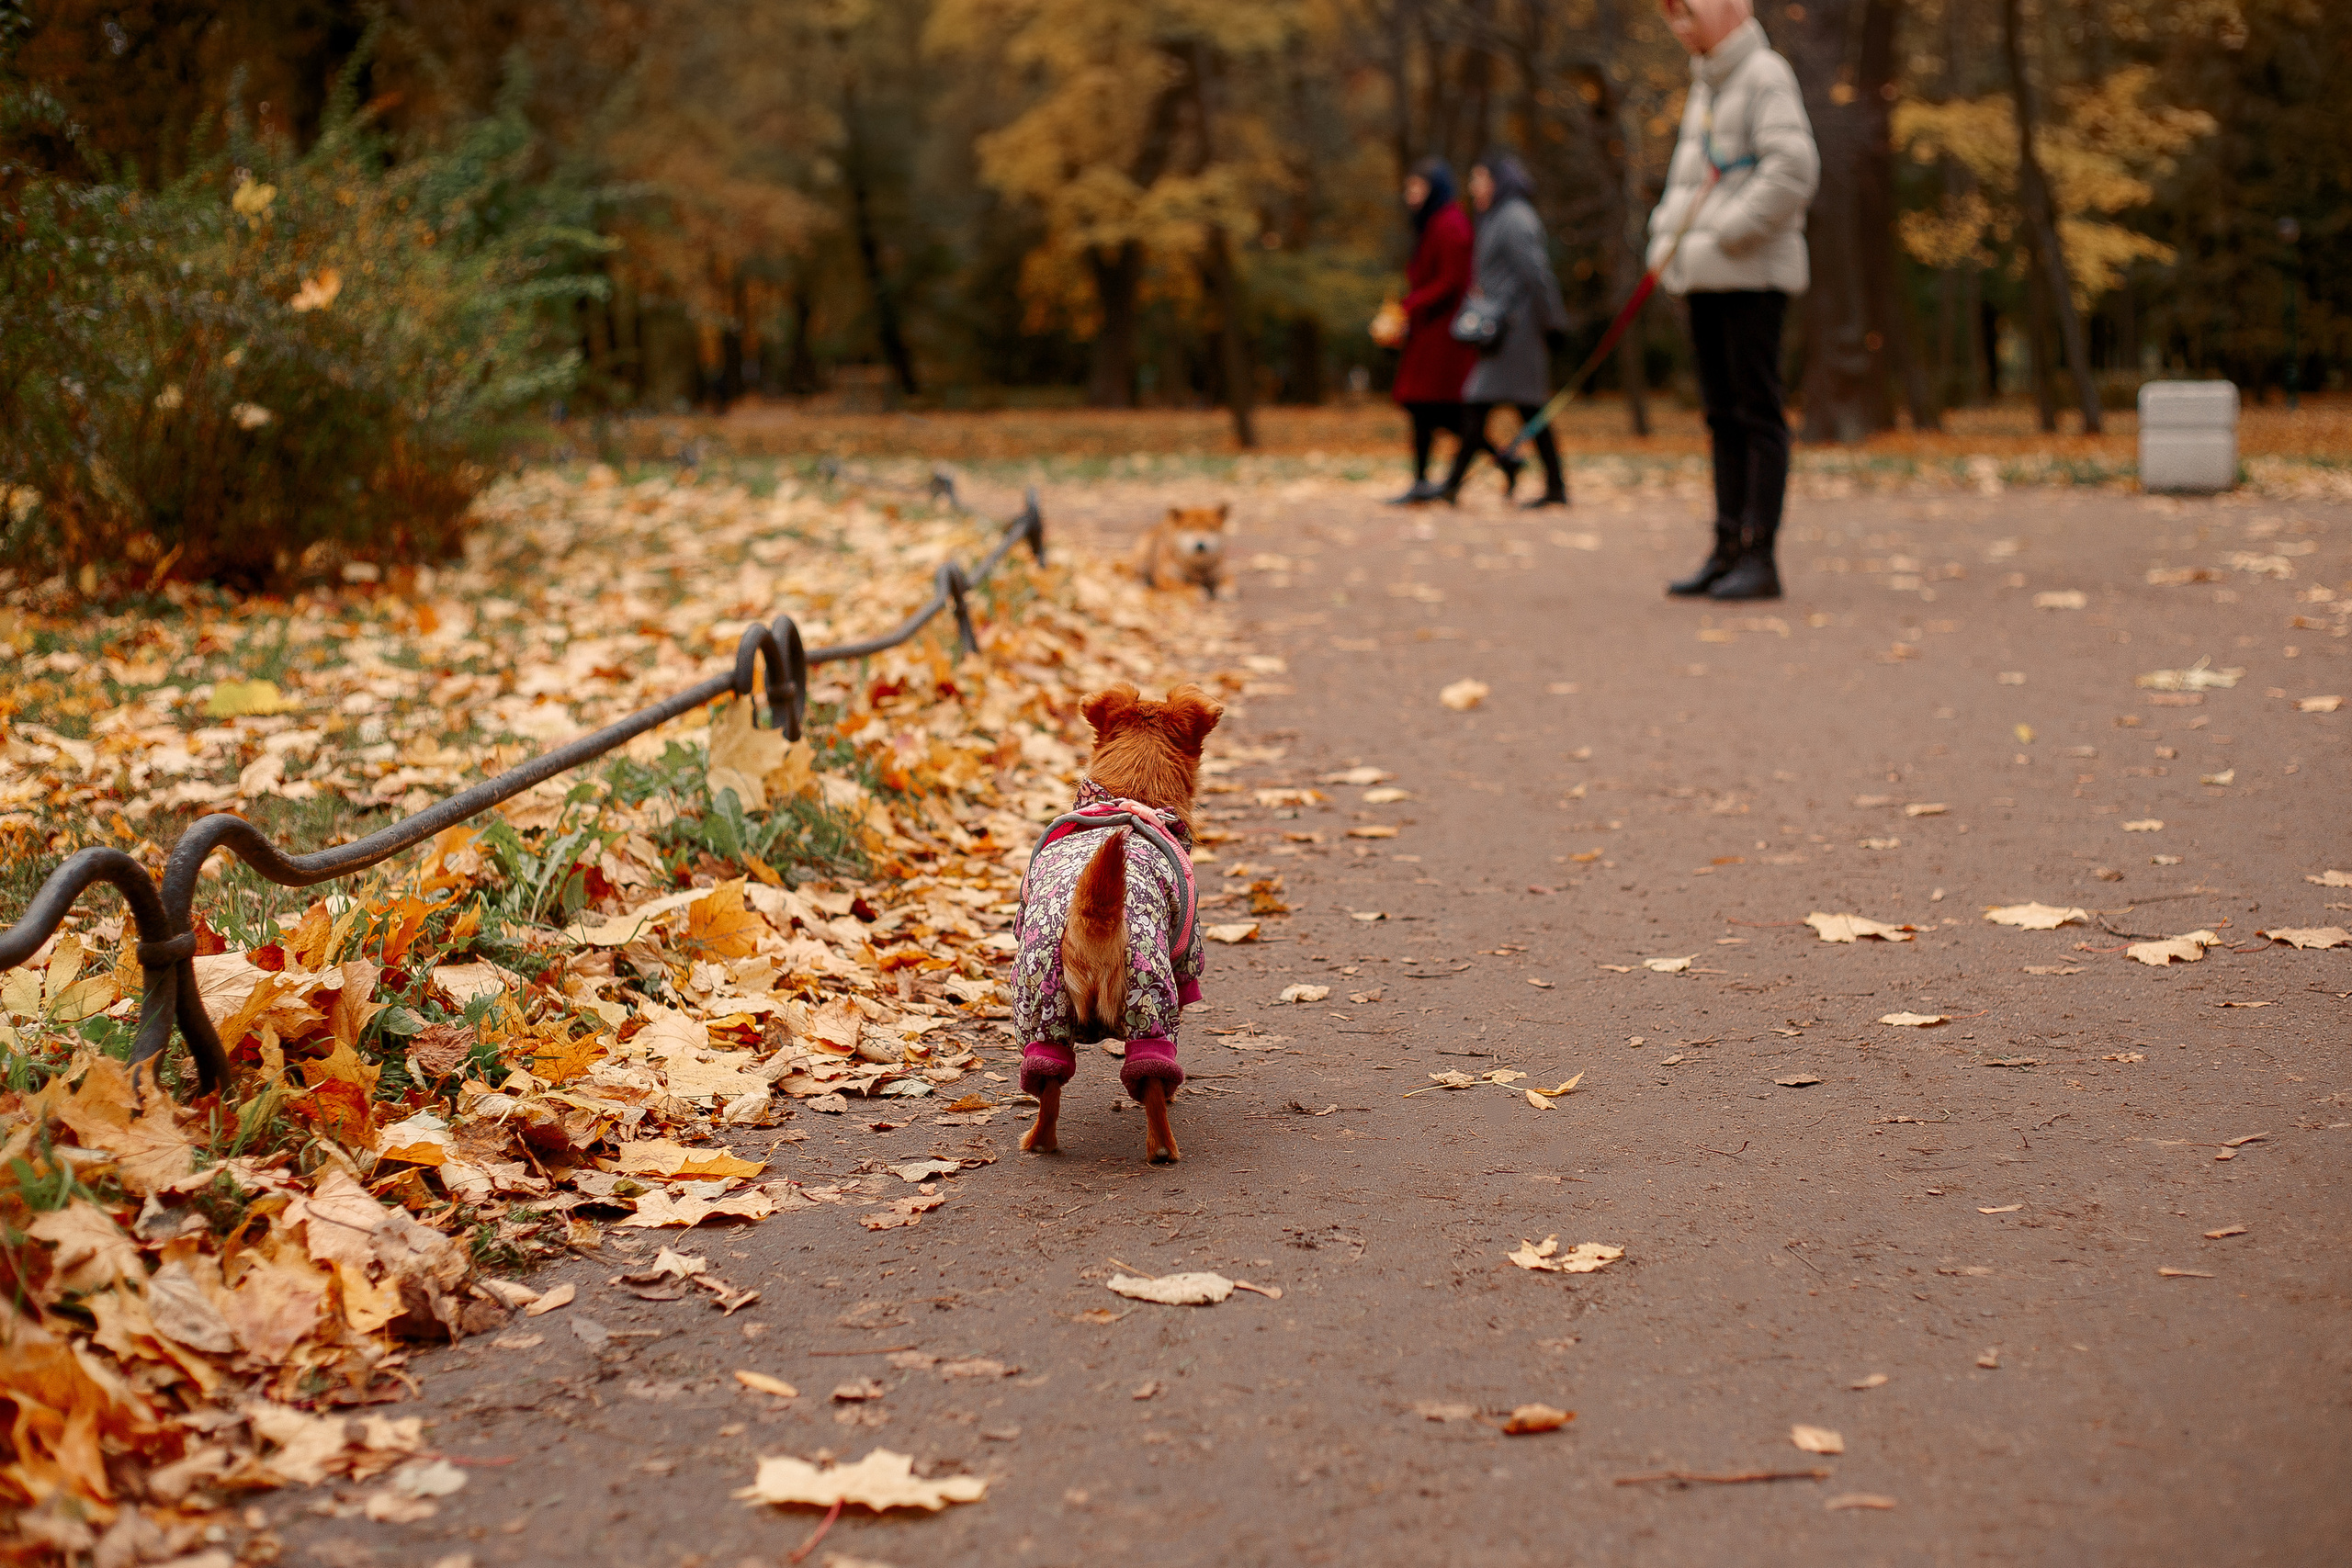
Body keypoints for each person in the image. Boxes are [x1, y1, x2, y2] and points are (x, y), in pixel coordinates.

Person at [1650, 0, 1819, 600]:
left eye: (1688, 14)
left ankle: (1760, 553)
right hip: (1704, 275)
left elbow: (1794, 169)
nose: (1680, 29)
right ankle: (1725, 547)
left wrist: (1726, 232)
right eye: (1672, 18)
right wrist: (1665, 242)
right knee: (1721, 415)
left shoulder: (1765, 74)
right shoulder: (1706, 87)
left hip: (1753, 275)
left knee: (1757, 412)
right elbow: (1684, 181)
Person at [1438, 152, 1571, 508]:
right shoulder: (1497, 216)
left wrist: (1553, 321)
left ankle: (1453, 484)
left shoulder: (1515, 217)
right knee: (1520, 407)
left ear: (1499, 180)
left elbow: (1536, 273)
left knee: (1486, 403)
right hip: (1503, 329)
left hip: (1516, 331)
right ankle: (1552, 485)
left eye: (1479, 178)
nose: (1473, 186)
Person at [1384, 159, 1479, 505]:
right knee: (1430, 409)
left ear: (1434, 188)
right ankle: (1503, 460)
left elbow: (1452, 281)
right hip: (1429, 330)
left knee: (1425, 406)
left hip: (1444, 334)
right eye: (1409, 188)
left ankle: (1423, 481)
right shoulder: (1434, 223)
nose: (1410, 195)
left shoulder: (1449, 224)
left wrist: (1410, 305)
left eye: (1417, 188)